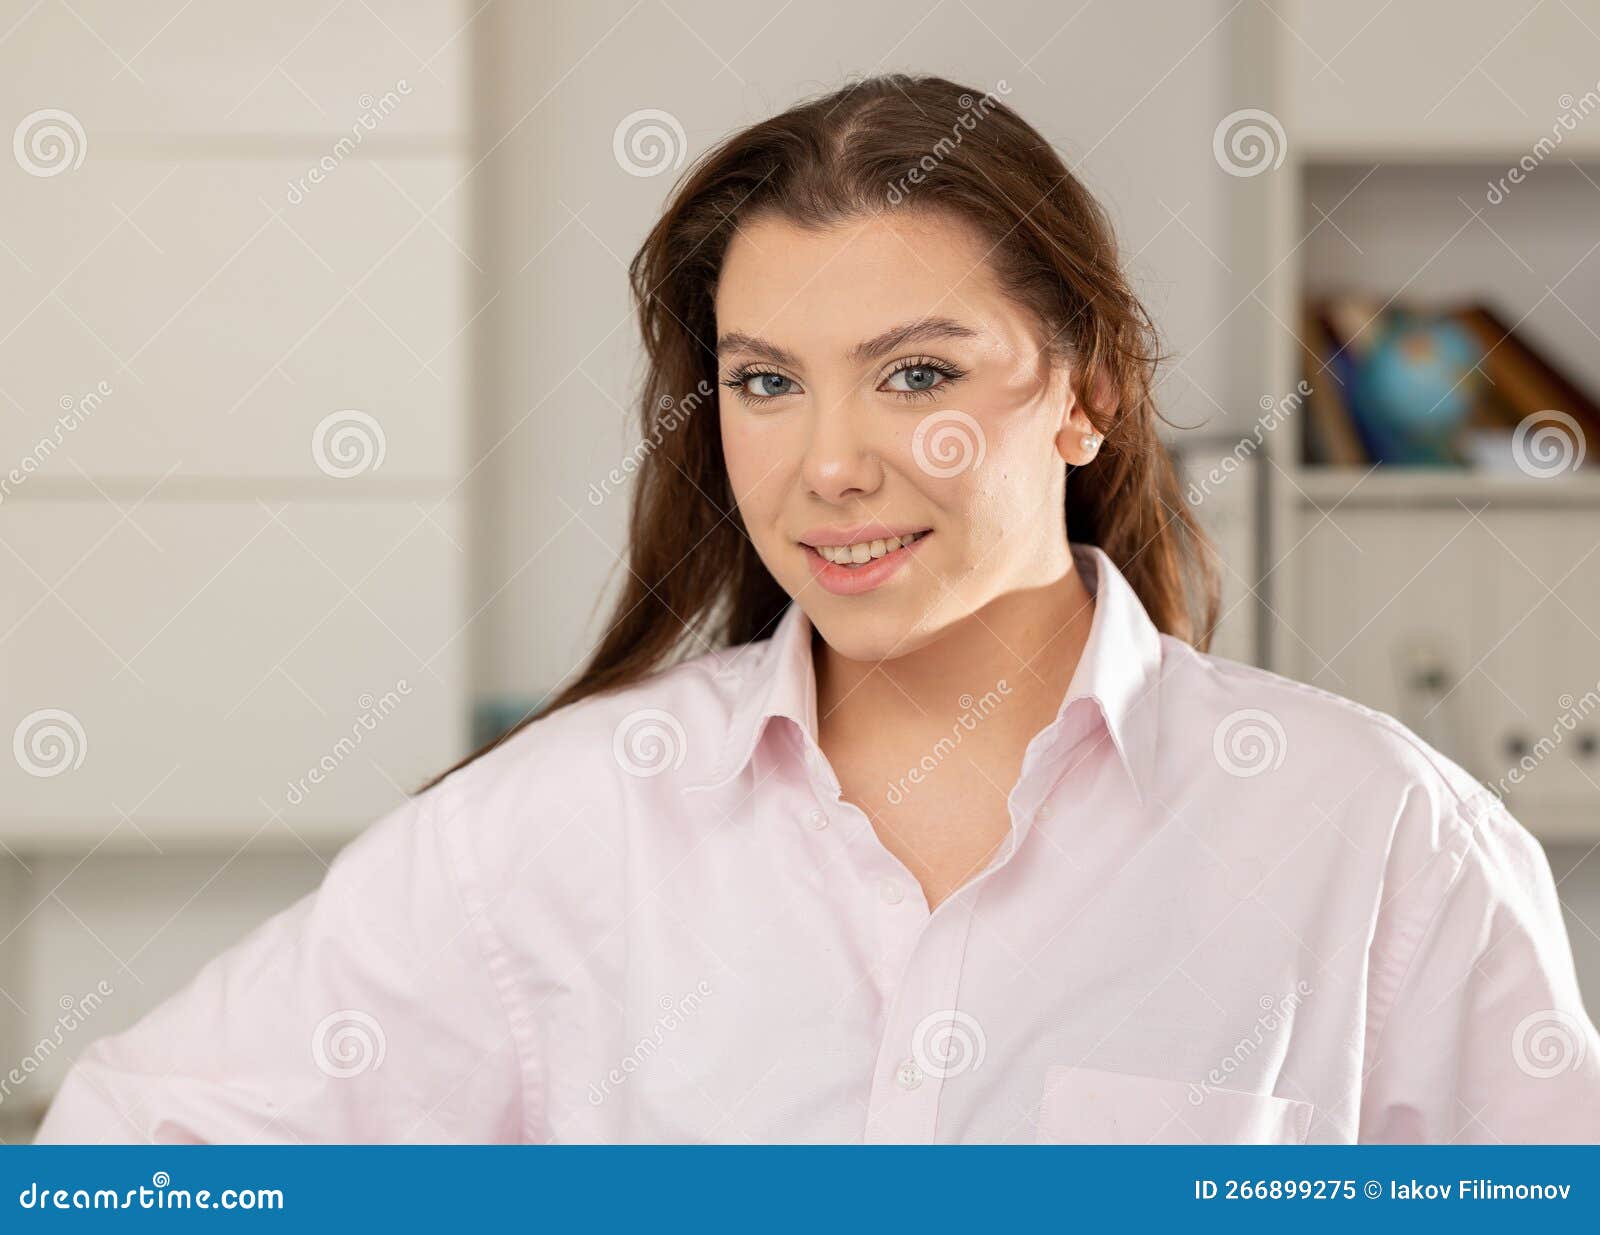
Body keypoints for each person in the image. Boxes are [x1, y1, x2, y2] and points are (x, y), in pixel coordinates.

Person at [35, 73, 1600, 1145]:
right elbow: (134, 1152)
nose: (831, 465)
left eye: (917, 374)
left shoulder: (1380, 843)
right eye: (764, 383)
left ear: (1085, 394)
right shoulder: (555, 831)